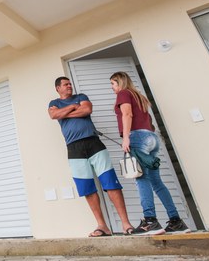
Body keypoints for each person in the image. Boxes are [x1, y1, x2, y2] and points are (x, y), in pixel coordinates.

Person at [48, 76, 135, 237]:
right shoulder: (54, 103)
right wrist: (74, 108)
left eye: (70, 84)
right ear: (58, 88)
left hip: (93, 142)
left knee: (111, 183)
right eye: (65, 85)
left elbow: (86, 110)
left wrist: (65, 113)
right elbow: (54, 115)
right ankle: (102, 226)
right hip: (73, 148)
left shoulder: (81, 97)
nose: (69, 86)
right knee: (87, 187)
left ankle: (125, 223)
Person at [110, 71, 191, 235]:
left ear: (120, 82)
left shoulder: (124, 94)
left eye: (113, 83)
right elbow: (149, 122)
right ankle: (176, 222)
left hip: (138, 138)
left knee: (141, 179)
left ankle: (150, 221)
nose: (112, 88)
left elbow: (127, 114)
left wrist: (126, 137)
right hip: (151, 138)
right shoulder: (139, 96)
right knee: (157, 182)